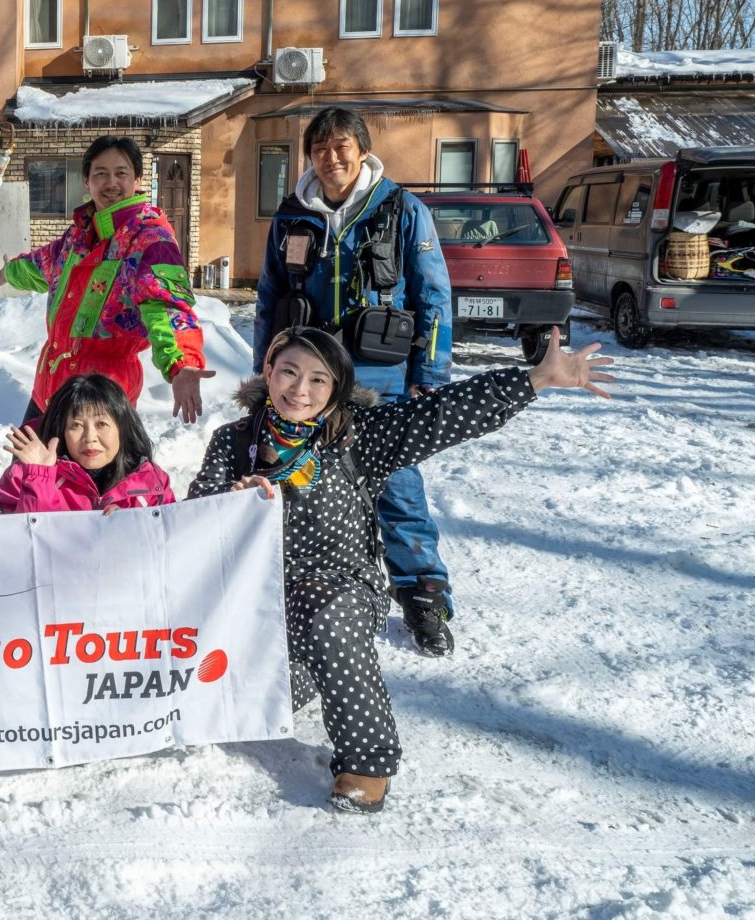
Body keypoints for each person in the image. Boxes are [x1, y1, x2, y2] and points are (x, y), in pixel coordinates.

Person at [188, 325, 614, 814]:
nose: (300, 389)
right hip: (259, 600)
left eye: (318, 379)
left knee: (328, 619)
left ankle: (366, 763)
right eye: (289, 372)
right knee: (255, 700)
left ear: (337, 388)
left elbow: (442, 413)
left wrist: (533, 379)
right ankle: (304, 674)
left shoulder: (360, 436)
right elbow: (194, 519)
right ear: (268, 371)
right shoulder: (234, 441)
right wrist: (230, 504)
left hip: (340, 588)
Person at [255, 107, 459, 656]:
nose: (332, 158)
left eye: (342, 145)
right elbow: (270, 300)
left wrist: (430, 373)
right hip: (306, 382)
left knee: (396, 488)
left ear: (363, 150)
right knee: (296, 483)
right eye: (320, 148)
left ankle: (423, 596)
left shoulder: (401, 209)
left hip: (380, 375)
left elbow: (433, 295)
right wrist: (263, 375)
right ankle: (289, 587)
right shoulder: (292, 216)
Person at [0, 135, 211, 426]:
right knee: (27, 457)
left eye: (121, 173)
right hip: (49, 390)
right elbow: (43, 263)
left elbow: (166, 305)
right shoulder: (79, 235)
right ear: (87, 181)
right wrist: (10, 272)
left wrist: (182, 364)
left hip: (101, 400)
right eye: (101, 173)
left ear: (138, 180)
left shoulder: (151, 239)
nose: (111, 183)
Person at [0, 372, 177, 514]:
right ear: (61, 430)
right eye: (76, 425)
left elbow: (171, 540)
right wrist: (39, 479)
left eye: (101, 424)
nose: (90, 437)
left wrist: (131, 526)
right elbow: (12, 540)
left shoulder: (152, 481)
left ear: (123, 429)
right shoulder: (24, 475)